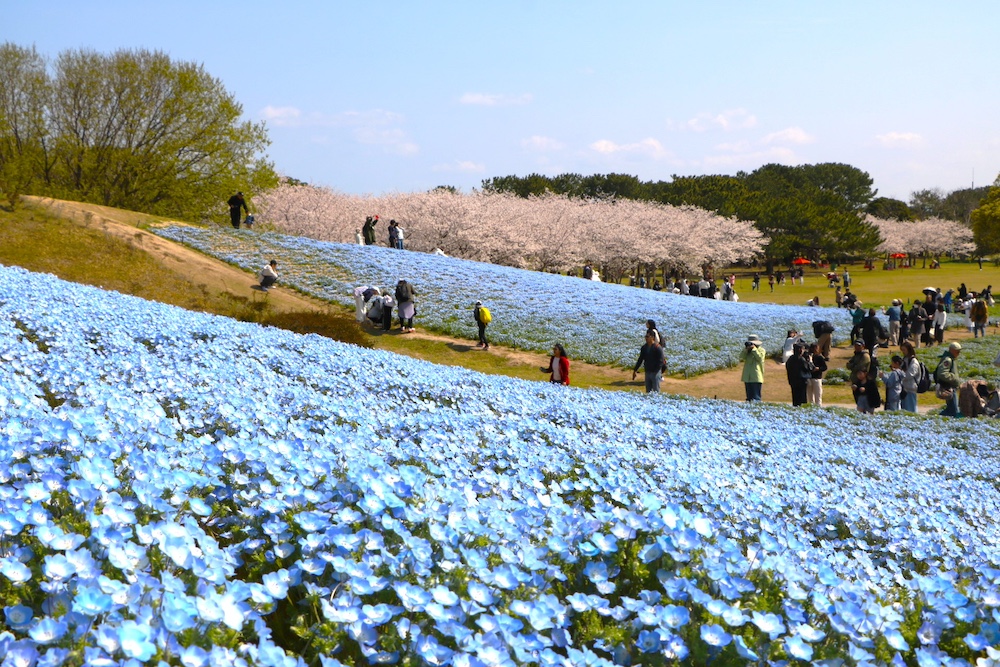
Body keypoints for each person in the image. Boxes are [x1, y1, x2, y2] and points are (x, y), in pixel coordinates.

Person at [935, 341, 962, 417]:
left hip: (951, 387)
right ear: (951, 350)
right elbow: (942, 373)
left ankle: (938, 418)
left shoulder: (951, 359)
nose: (958, 353)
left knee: (951, 409)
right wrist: (954, 378)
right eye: (957, 351)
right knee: (953, 410)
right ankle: (937, 418)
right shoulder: (948, 360)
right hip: (949, 388)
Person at [739, 335, 766, 402]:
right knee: (749, 397)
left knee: (756, 397)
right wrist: (746, 350)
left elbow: (760, 358)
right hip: (747, 376)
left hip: (756, 376)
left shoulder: (761, 350)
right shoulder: (747, 351)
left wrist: (754, 349)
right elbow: (741, 357)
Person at [899, 340, 920, 413]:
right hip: (904, 387)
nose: (903, 352)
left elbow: (910, 374)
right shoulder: (905, 359)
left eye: (904, 350)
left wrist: (901, 376)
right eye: (902, 350)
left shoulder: (914, 361)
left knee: (911, 409)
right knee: (904, 408)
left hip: (911, 387)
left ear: (909, 349)